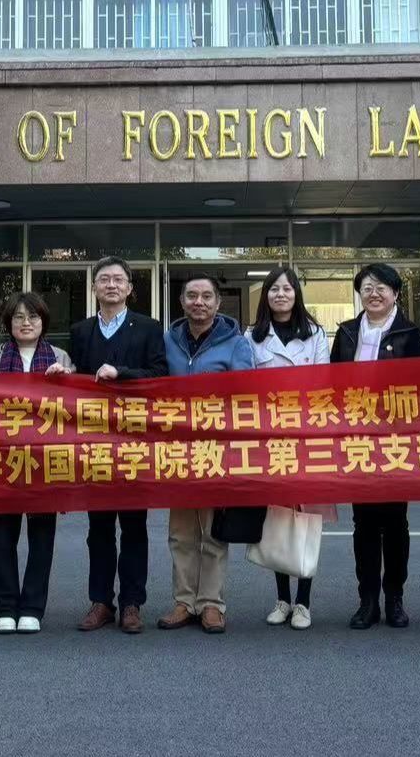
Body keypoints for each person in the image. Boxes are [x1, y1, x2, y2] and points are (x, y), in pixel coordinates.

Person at [68, 254, 168, 635]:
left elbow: (159, 375)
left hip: (133, 443)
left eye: (118, 279)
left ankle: (131, 603)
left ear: (129, 288)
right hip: (93, 443)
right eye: (104, 279)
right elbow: (74, 382)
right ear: (94, 287)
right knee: (98, 528)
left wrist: (121, 374)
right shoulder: (81, 331)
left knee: (134, 526)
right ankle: (100, 602)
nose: (111, 285)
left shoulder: (148, 328)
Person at [330, 261, 420, 630]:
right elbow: (332, 384)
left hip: (395, 441)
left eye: (381, 287)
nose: (374, 294)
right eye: (367, 288)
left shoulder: (410, 334)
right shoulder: (346, 332)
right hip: (357, 440)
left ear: (395, 294)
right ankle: (367, 600)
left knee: (396, 522)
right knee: (364, 523)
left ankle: (395, 597)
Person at [159, 273, 256, 636]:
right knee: (181, 532)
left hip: (216, 449)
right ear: (182, 302)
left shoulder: (236, 344)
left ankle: (212, 604)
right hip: (176, 449)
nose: (198, 302)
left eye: (206, 296)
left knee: (213, 532)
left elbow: (245, 393)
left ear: (217, 302)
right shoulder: (167, 340)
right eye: (192, 296)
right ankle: (184, 602)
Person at [0, 292, 74, 634]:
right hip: (2, 460)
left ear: (43, 321)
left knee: (41, 537)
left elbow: (75, 408)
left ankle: (32, 607)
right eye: (18, 317)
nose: (26, 323)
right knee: (2, 537)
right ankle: (5, 606)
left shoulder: (60, 357)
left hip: (45, 460)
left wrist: (66, 378)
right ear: (9, 323)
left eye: (33, 316)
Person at [246, 265, 332, 631]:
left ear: (297, 294)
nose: (281, 294)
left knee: (307, 519)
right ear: (265, 295)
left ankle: (304, 603)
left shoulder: (315, 333)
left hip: (307, 437)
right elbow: (247, 387)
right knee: (278, 519)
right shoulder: (252, 336)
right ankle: (282, 599)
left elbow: (324, 383)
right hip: (270, 438)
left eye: (287, 288)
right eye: (274, 289)